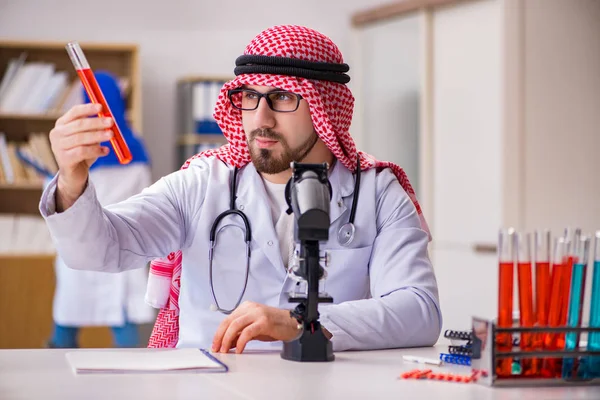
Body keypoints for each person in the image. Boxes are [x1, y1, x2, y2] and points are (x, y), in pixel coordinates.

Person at [40, 25, 442, 354]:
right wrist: (72, 179)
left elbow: (420, 312)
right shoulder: (203, 182)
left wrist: (302, 324)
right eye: (250, 97)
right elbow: (97, 250)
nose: (260, 118)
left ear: (324, 105)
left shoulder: (377, 191)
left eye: (282, 97)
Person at [46, 71, 156, 348]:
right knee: (123, 323)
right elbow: (146, 196)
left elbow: (64, 194)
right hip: (120, 243)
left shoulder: (77, 146)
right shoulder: (133, 149)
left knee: (66, 323)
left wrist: (49, 182)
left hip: (81, 241)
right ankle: (130, 383)